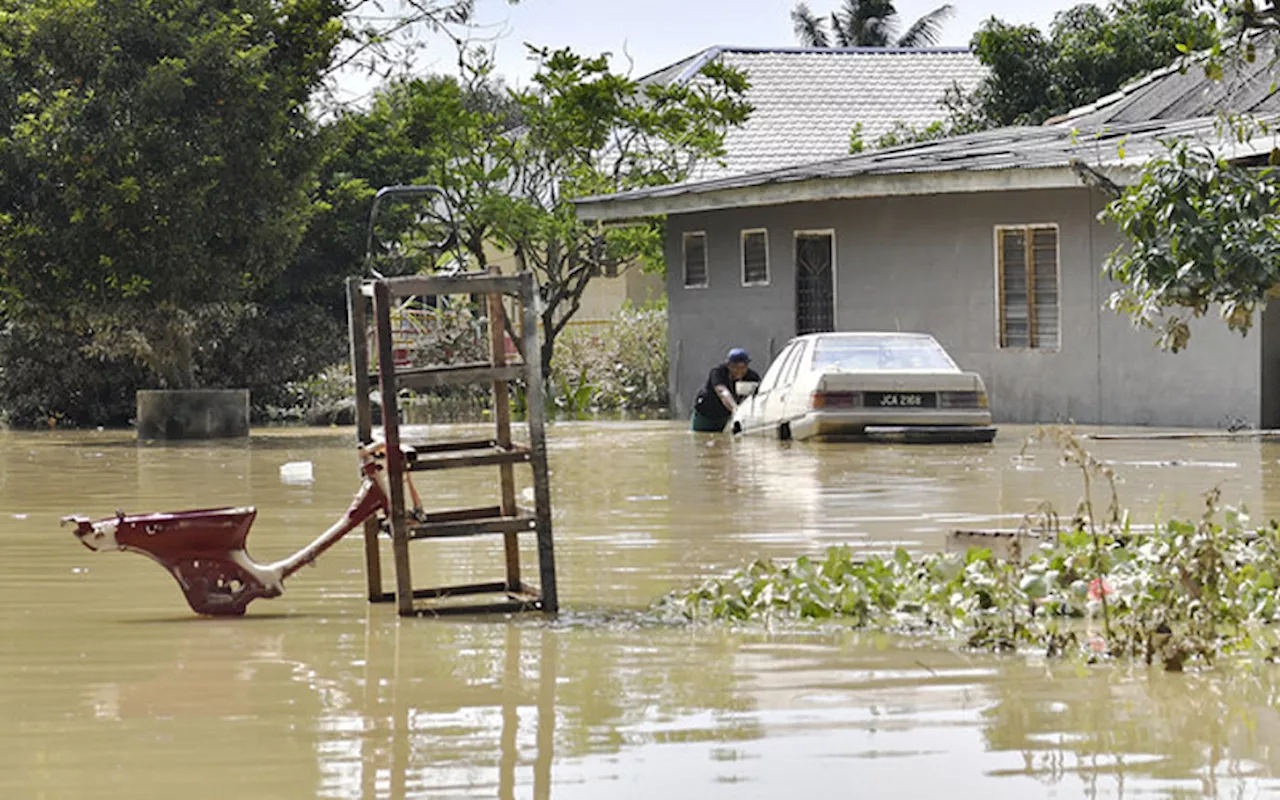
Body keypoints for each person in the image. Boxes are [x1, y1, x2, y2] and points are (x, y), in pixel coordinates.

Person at [691, 347, 760, 432]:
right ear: (728, 365)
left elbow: (759, 393)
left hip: (723, 416)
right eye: (736, 367)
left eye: (743, 367)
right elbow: (722, 392)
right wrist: (736, 409)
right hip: (705, 413)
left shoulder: (751, 377)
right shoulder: (718, 372)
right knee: (700, 437)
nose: (740, 371)